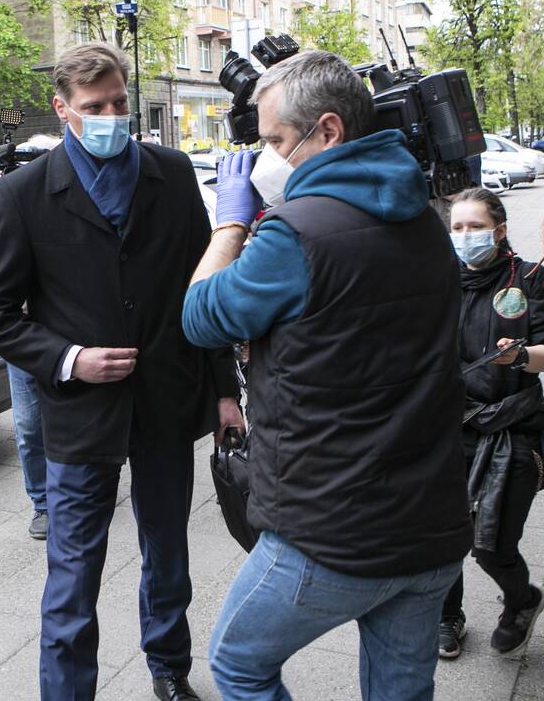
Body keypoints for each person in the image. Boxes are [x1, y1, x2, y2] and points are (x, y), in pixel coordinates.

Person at [181, 51, 473, 700]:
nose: (268, 157)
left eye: (278, 141)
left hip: (334, 535)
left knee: (237, 664)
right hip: (430, 528)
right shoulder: (425, 219)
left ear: (330, 132)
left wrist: (231, 222)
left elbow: (199, 317)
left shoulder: (297, 235)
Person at [0, 42, 243, 701]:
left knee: (168, 553)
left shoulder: (172, 173)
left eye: (120, 102)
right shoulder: (25, 193)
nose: (113, 116)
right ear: (63, 109)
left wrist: (225, 392)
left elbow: (197, 291)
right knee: (71, 575)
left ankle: (168, 668)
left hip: (167, 403)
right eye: (96, 107)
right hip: (79, 415)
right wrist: (70, 360)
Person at [438, 188, 544, 659]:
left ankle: (522, 599)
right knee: (443, 534)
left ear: (500, 230)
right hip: (449, 427)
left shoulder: (532, 281)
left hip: (511, 427)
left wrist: (520, 356)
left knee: (491, 546)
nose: (465, 236)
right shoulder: (438, 279)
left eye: (475, 227)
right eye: (457, 227)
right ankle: (447, 616)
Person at [0, 134, 62, 540]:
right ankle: (43, 503)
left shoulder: (64, 197)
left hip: (69, 326)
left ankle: (80, 485)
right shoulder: (6, 201)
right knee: (30, 425)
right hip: (24, 331)